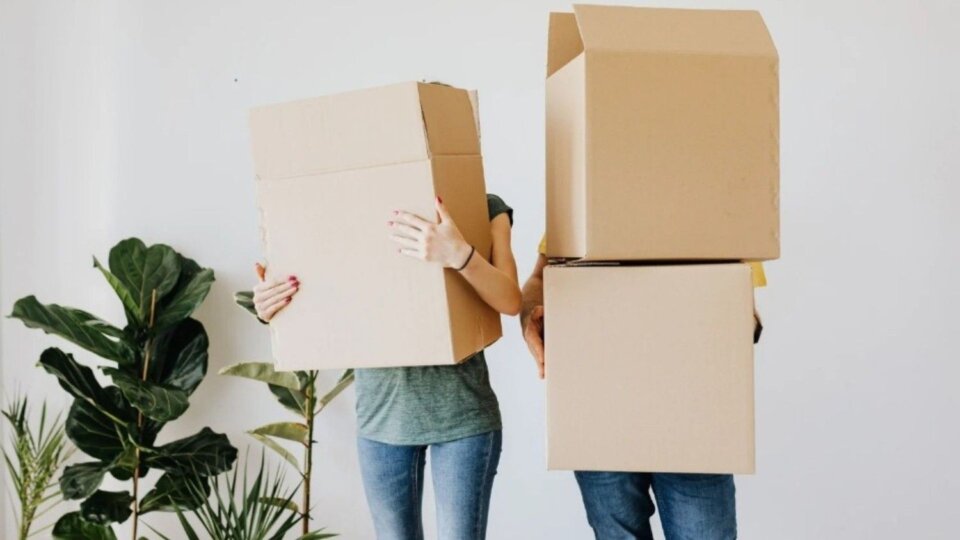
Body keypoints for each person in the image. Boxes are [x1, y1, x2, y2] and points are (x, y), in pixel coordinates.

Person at [252, 195, 521, 540]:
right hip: (381, 420)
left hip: (463, 418)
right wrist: (272, 305)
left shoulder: (482, 204)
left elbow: (511, 300)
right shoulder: (348, 204)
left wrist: (459, 255)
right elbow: (318, 293)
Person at [520, 235, 763, 540]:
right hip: (600, 406)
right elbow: (539, 280)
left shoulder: (711, 204)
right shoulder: (585, 196)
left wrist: (733, 324)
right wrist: (529, 317)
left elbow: (740, 298)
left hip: (692, 411)